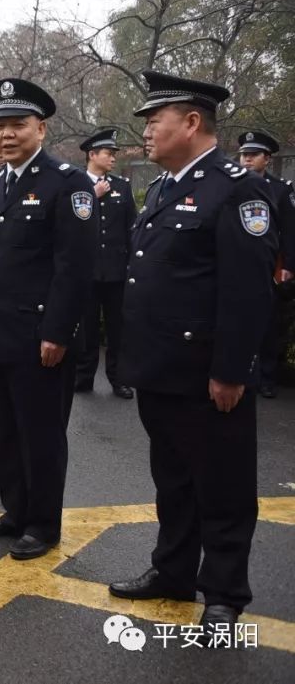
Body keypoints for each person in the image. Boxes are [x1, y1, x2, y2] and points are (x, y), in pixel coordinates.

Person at [109, 71, 278, 636]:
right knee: (174, 480)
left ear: (192, 121)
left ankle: (225, 593)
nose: (149, 131)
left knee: (223, 488)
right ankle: (173, 570)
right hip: (161, 371)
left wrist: (231, 370)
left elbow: (248, 292)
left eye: (155, 119)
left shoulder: (236, 189)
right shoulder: (161, 187)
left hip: (209, 375)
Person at [0, 78, 97, 560]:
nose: (6, 135)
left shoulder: (67, 183)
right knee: (5, 428)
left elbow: (74, 267)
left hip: (41, 336)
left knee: (41, 434)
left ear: (40, 129)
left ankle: (43, 525)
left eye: (17, 125)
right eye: (0, 125)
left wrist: (58, 332)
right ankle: (15, 511)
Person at [74, 129, 136, 399]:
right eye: (108, 153)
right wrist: (91, 195)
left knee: (118, 330)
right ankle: (83, 376)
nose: (112, 158)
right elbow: (70, 225)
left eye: (113, 154)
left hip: (116, 271)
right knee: (86, 328)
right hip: (86, 272)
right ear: (92, 155)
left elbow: (131, 228)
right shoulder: (75, 184)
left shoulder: (122, 186)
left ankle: (119, 378)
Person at [237, 130, 294, 399]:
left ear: (266, 159)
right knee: (238, 321)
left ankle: (267, 377)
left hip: (270, 267)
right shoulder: (231, 184)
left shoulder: (281, 190)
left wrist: (289, 266)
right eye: (243, 155)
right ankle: (240, 372)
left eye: (252, 155)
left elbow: (290, 230)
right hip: (238, 265)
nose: (246, 160)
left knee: (270, 324)